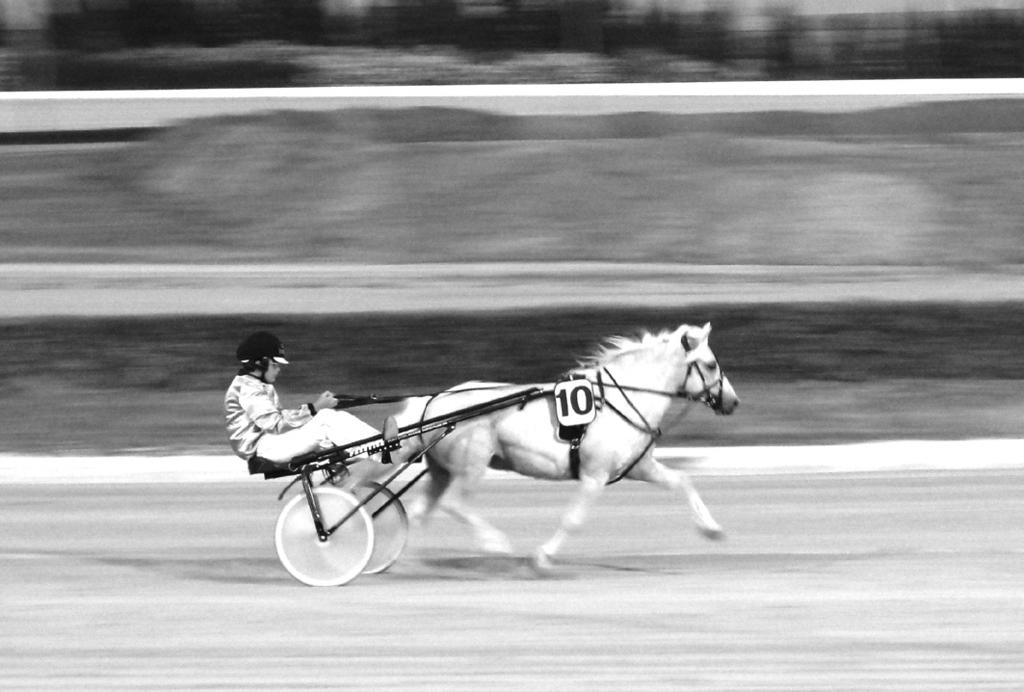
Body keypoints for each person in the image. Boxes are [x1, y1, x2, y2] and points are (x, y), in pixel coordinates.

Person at [224, 330, 387, 468]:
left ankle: (379, 448)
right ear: (260, 362)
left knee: (328, 417)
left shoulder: (259, 385)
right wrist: (314, 409)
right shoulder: (248, 389)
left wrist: (317, 409)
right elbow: (275, 425)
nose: (279, 369)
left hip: (270, 443)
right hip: (263, 448)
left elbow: (280, 417)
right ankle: (383, 450)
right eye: (275, 364)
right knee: (325, 419)